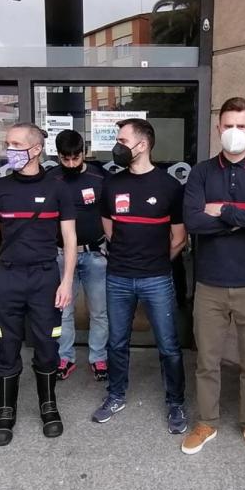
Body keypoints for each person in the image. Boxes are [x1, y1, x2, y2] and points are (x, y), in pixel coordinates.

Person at [181, 97, 245, 462]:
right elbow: (193, 222)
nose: (235, 132)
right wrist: (244, 216)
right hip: (209, 283)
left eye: (242, 126)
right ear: (218, 128)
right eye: (228, 125)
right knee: (207, 360)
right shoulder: (201, 173)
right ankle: (207, 421)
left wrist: (220, 211)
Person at [0, 123, 77, 447]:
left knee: (47, 343)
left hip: (44, 278)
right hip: (7, 277)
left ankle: (48, 405)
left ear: (36, 149)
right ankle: (6, 410)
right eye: (7, 143)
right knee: (5, 344)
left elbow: (69, 238)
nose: (8, 149)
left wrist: (66, 282)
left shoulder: (58, 188)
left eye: (16, 144)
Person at [91, 118, 188, 433]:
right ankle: (115, 395)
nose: (117, 146)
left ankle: (175, 403)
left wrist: (155, 261)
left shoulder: (169, 186)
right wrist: (126, 256)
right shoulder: (112, 184)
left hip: (156, 278)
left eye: (122, 140)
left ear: (143, 144)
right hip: (118, 277)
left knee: (169, 345)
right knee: (117, 342)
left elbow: (179, 238)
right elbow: (110, 229)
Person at [49, 129, 110, 382]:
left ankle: (99, 358)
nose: (72, 163)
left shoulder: (99, 176)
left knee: (99, 311)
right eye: (66, 159)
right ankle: (66, 357)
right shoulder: (51, 179)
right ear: (58, 155)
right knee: (64, 311)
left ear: (83, 152)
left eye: (76, 157)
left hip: (94, 254)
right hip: (62, 255)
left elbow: (109, 214)